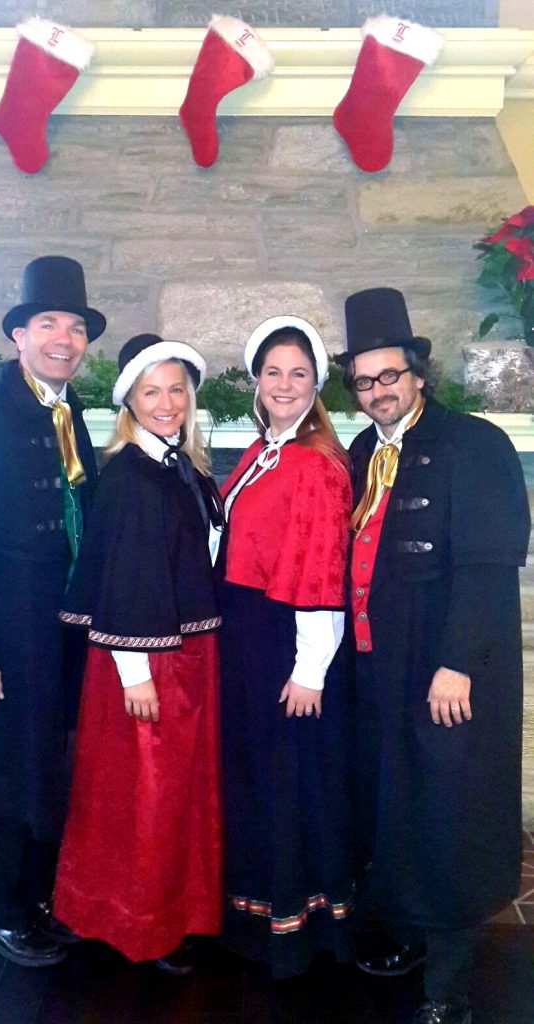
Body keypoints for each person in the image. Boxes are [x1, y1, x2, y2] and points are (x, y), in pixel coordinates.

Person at [339, 287, 531, 1024]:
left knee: (447, 813)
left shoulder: (474, 444)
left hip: (446, 670)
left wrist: (456, 662)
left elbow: (486, 567)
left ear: (418, 373)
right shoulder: (360, 452)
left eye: (391, 375)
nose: (379, 392)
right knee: (394, 806)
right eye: (365, 381)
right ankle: (410, 936)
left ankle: (447, 989)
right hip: (377, 668)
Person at [0, 256, 104, 966]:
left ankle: (38, 902)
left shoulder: (68, 414)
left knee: (45, 770)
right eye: (48, 323)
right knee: (2, 777)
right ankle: (0, 915)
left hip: (58, 636)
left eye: (74, 326)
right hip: (2, 642)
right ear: (19, 335)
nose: (63, 337)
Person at [53, 334, 223, 973]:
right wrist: (136, 672)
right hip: (145, 663)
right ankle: (140, 922)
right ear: (129, 402)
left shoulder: (183, 466)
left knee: (174, 796)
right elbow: (126, 574)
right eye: (152, 391)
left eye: (177, 389)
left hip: (187, 655)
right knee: (144, 798)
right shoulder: (129, 474)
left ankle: (177, 909)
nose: (168, 402)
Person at [218, 316, 355, 979]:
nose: (284, 383)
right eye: (273, 371)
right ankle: (253, 911)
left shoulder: (314, 463)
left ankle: (293, 931)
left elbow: (319, 570)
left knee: (286, 779)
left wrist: (309, 671)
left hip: (284, 639)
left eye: (298, 373)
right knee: (256, 775)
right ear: (255, 380)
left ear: (316, 385)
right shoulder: (263, 449)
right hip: (249, 632)